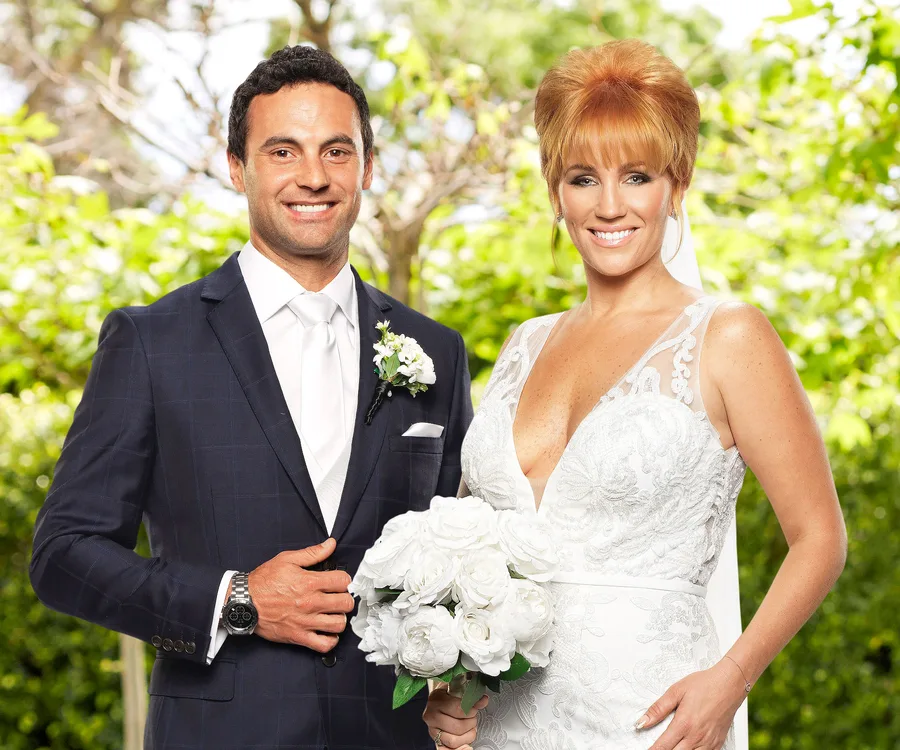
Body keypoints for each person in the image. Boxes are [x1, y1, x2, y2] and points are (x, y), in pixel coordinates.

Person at [29, 45, 472, 750]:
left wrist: (458, 682)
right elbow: (62, 554)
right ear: (238, 168)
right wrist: (237, 602)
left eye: (336, 150)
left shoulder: (435, 351)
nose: (314, 177)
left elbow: (459, 555)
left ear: (367, 167)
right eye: (283, 152)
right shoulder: (151, 343)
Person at [423, 39, 846, 750]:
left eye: (638, 176)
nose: (609, 205)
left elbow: (821, 538)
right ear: (556, 192)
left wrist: (733, 677)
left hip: (650, 723)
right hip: (502, 730)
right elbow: (478, 557)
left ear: (676, 187)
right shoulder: (524, 344)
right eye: (583, 178)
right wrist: (448, 686)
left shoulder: (729, 336)